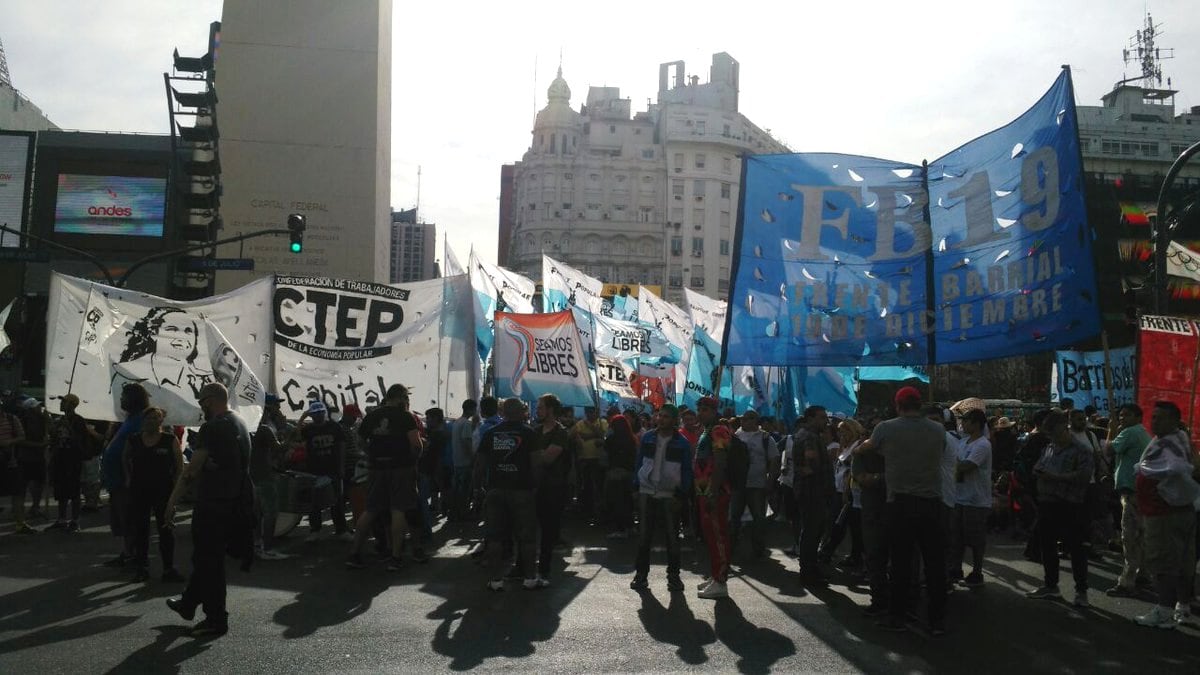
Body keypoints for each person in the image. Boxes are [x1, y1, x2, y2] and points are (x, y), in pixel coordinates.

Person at [165, 382, 253, 638]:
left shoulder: (212, 427)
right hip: (237, 501)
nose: (200, 405)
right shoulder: (240, 422)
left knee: (209, 561)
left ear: (212, 399)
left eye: (202, 400)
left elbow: (191, 471)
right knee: (206, 558)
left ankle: (216, 619)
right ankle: (189, 603)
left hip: (214, 503)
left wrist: (171, 503)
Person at [858, 387, 948, 635]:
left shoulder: (886, 428)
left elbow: (868, 448)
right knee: (934, 564)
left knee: (900, 563)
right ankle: (936, 619)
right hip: (932, 502)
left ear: (898, 405)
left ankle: (897, 617)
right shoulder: (938, 430)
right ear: (919, 405)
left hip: (900, 502)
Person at [1133, 401, 1200, 628]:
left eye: (1160, 417)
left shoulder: (1172, 445)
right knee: (1181, 562)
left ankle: (1164, 610)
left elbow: (1178, 470)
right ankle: (1182, 605)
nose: (1154, 421)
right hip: (1173, 512)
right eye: (1153, 417)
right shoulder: (1173, 441)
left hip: (1166, 514)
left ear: (1174, 421)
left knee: (1164, 562)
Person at [346, 384, 425, 570]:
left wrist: (371, 453)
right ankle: (396, 557)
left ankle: (354, 553)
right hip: (401, 468)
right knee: (399, 509)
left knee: (371, 510)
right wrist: (414, 459)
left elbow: (360, 440)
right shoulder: (405, 416)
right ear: (400, 398)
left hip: (377, 468)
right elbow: (417, 444)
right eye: (405, 398)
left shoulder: (372, 416)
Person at [1025, 409, 1093, 607]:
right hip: (1047, 503)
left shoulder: (1081, 450)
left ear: (1064, 428)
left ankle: (1081, 591)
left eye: (1054, 433)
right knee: (1047, 546)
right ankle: (1051, 585)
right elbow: (1038, 465)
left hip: (1071, 504)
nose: (1052, 438)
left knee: (1076, 549)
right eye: (1049, 435)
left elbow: (1083, 476)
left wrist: (1056, 478)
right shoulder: (1049, 448)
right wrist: (1039, 472)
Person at [477, 398, 540, 590]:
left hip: (496, 490)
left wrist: (477, 488)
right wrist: (535, 486)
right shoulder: (529, 433)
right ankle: (530, 579)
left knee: (495, 538)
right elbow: (536, 463)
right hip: (522, 491)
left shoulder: (490, 433)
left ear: (503, 412)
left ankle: (496, 580)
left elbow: (479, 464)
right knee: (527, 537)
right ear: (520, 412)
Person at [630, 404, 693, 593]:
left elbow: (686, 471)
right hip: (647, 492)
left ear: (674, 420)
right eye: (660, 416)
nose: (661, 419)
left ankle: (673, 577)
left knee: (672, 538)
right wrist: (635, 486)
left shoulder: (681, 442)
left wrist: (681, 494)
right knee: (644, 536)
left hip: (669, 495)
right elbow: (639, 461)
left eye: (666, 416)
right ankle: (641, 576)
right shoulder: (648, 437)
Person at [124, 407, 185, 583]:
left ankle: (168, 568)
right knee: (140, 530)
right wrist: (128, 478)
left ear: (161, 421)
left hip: (163, 491)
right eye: (149, 418)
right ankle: (141, 567)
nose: (152, 421)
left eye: (156, 418)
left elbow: (179, 467)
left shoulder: (169, 440)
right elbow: (125, 458)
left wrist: (176, 490)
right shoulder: (134, 440)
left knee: (166, 528)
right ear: (143, 420)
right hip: (139, 490)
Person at [1104, 403, 1152, 596]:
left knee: (1130, 537)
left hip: (1132, 492)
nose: (1122, 418)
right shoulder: (1141, 432)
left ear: (1138, 417)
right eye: (1120, 415)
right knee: (1141, 535)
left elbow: (1109, 450)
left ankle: (1127, 582)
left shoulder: (1130, 432)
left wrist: (1110, 431)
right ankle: (1143, 574)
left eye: (1126, 415)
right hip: (1138, 491)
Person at [102, 383, 152, 567]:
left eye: (124, 396)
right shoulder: (129, 419)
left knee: (129, 518)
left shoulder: (141, 419)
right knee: (122, 518)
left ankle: (134, 555)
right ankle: (127, 552)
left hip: (127, 480)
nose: (121, 399)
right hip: (117, 479)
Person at [693, 397, 732, 598]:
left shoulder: (719, 431)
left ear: (714, 411)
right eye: (699, 409)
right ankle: (715, 574)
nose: (700, 413)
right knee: (710, 537)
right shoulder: (706, 432)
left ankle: (721, 581)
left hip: (714, 494)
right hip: (704, 493)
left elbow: (720, 462)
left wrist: (712, 491)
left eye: (705, 409)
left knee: (718, 537)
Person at [793, 406, 836, 585]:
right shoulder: (809, 437)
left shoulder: (808, 435)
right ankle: (808, 572)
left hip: (812, 491)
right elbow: (810, 465)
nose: (825, 421)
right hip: (812, 491)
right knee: (811, 532)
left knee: (813, 531)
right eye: (821, 417)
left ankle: (811, 569)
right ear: (810, 418)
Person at [533, 394, 574, 585]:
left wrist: (535, 455)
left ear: (550, 410)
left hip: (553, 488)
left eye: (540, 407)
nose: (537, 410)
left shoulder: (560, 432)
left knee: (548, 531)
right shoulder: (536, 430)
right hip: (535, 486)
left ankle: (544, 570)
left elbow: (547, 458)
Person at [950, 408, 993, 587]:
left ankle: (977, 572)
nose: (962, 424)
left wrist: (954, 465)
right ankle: (956, 569)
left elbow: (966, 466)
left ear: (975, 423)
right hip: (959, 497)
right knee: (957, 537)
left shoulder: (982, 444)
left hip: (976, 499)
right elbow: (955, 463)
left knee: (975, 539)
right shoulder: (964, 441)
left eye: (966, 420)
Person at [731, 409, 779, 561]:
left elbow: (774, 460)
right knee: (734, 517)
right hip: (738, 484)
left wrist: (770, 480)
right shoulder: (735, 437)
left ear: (756, 421)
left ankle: (758, 548)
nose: (747, 421)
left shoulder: (765, 438)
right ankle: (730, 547)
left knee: (758, 517)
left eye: (751, 418)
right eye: (745, 419)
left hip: (757, 485)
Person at [45, 394, 97, 532]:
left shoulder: (78, 420)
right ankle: (61, 519)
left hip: (73, 460)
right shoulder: (61, 419)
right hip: (60, 459)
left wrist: (69, 427)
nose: (61, 404)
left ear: (72, 405)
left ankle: (75, 520)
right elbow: (55, 439)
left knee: (74, 491)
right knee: (61, 491)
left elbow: (80, 440)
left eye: (65, 402)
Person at [821, 418, 866, 569]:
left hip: (850, 493)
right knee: (841, 525)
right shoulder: (844, 446)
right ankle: (851, 556)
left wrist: (847, 489)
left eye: (845, 430)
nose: (842, 434)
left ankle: (828, 553)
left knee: (845, 526)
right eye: (840, 431)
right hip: (839, 490)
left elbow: (852, 470)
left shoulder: (858, 445)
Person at [300, 401, 348, 542]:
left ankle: (341, 529)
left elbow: (342, 446)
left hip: (333, 469)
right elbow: (296, 437)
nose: (318, 416)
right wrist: (303, 417)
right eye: (315, 414)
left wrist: (341, 467)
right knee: (314, 503)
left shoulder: (334, 427)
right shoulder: (308, 430)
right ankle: (315, 530)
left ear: (324, 413)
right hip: (314, 470)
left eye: (320, 413)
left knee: (337, 501)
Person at [251, 394, 291, 560]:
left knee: (257, 513)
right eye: (275, 406)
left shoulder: (250, 427)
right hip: (265, 475)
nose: (278, 409)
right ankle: (267, 548)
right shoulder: (266, 429)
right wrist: (290, 436)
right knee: (270, 513)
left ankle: (257, 545)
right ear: (266, 409)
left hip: (253, 474)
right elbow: (279, 449)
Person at [603, 413, 638, 538]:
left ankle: (620, 529)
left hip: (615, 472)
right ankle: (630, 527)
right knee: (628, 501)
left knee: (617, 501)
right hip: (629, 472)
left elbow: (605, 455)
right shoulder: (632, 439)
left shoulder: (611, 439)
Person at [572, 407, 607, 525]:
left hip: (598, 460)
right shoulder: (579, 424)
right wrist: (594, 434)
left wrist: (590, 431)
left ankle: (599, 512)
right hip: (584, 459)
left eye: (593, 412)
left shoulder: (603, 422)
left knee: (598, 486)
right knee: (586, 486)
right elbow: (578, 437)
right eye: (589, 412)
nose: (591, 415)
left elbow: (603, 436)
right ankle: (587, 511)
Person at [15, 399, 49, 521]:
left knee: (39, 482)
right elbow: (21, 440)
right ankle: (21, 511)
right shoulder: (22, 421)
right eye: (36, 407)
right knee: (24, 484)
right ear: (30, 410)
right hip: (26, 457)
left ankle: (35, 507)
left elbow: (47, 433)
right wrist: (38, 445)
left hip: (38, 456)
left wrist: (47, 420)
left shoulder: (42, 419)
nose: (39, 408)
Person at [1, 403, 31, 534]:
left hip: (10, 463)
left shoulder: (12, 419)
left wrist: (9, 442)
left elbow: (21, 436)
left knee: (17, 493)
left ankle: (20, 523)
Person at [449, 399, 478, 522]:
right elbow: (467, 442)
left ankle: (454, 513)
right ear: (471, 409)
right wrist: (472, 459)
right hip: (465, 462)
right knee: (465, 491)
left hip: (456, 460)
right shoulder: (466, 423)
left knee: (456, 490)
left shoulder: (457, 422)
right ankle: (463, 514)